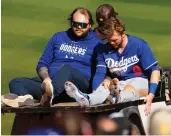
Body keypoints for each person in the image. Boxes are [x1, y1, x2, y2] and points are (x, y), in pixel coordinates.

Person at [64, 17, 160, 116]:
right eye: (109, 40)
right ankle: (88, 99)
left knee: (129, 88)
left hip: (140, 81)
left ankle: (117, 98)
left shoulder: (139, 45)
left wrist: (151, 95)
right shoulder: (103, 49)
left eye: (114, 40)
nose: (111, 43)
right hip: (120, 83)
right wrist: (96, 91)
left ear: (122, 33)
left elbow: (154, 70)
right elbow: (100, 73)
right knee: (105, 87)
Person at [8, 7, 103, 106]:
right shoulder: (58, 37)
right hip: (52, 82)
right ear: (71, 22)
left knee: (67, 69)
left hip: (76, 89)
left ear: (90, 25)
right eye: (75, 24)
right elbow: (43, 63)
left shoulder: (97, 43)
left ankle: (50, 95)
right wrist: (46, 78)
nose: (79, 27)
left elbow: (103, 69)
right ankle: (32, 101)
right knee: (16, 82)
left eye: (83, 25)